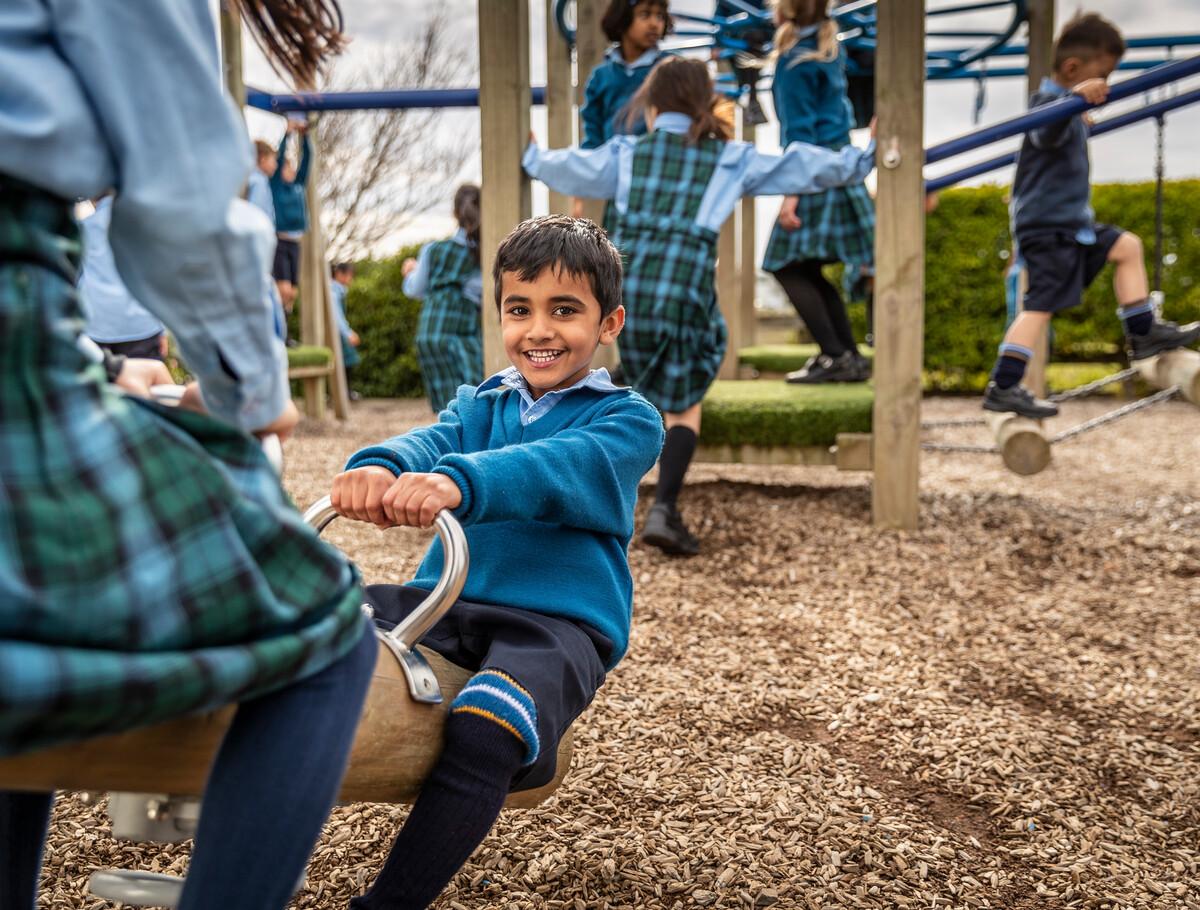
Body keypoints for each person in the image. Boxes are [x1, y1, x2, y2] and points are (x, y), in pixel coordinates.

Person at [0, 4, 376, 910]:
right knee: (329, 630)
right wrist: (252, 391)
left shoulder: (289, 163)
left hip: (70, 332)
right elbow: (179, 201)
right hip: (33, 324)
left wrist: (104, 366)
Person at [332, 215, 663, 910]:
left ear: (610, 323)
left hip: (557, 622)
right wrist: (380, 465)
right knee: (322, 613)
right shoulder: (481, 402)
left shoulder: (627, 420)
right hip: (449, 599)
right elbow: (433, 439)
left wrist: (463, 481)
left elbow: (560, 467)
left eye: (564, 310)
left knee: (490, 720)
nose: (538, 330)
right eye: (520, 310)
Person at [524, 57, 874, 555]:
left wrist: (533, 156)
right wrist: (865, 157)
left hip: (626, 292)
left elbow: (571, 168)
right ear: (704, 105)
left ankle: (569, 480)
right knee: (684, 404)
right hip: (685, 289)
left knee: (626, 370)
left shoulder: (627, 154)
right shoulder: (729, 157)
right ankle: (665, 508)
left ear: (652, 106)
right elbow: (800, 165)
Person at [983, 12, 1200, 419]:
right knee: (1039, 307)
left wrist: (1077, 108)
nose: (1108, 85)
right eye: (1105, 75)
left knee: (1126, 246)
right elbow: (1042, 132)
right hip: (1048, 229)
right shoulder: (1047, 106)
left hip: (1071, 226)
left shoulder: (1066, 109)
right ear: (1074, 70)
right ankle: (1004, 385)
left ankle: (1143, 333)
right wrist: (1075, 100)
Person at [763, 0, 874, 384]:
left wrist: (790, 193)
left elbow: (800, 137)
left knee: (784, 264)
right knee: (804, 267)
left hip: (816, 172)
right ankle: (847, 356)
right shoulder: (828, 48)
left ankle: (836, 353)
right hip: (840, 167)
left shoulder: (795, 59)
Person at [404, 184, 485, 413]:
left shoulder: (433, 249)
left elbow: (415, 290)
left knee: (445, 407)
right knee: (470, 402)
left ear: (455, 212)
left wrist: (410, 272)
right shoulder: (482, 252)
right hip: (461, 333)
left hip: (429, 332)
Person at [79, 194, 166, 360]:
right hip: (141, 326)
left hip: (98, 326)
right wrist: (162, 329)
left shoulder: (84, 228)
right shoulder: (145, 225)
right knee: (145, 382)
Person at [270, 117, 312, 318]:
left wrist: (305, 137)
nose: (292, 171)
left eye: (292, 168)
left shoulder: (298, 186)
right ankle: (276, 326)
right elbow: (279, 160)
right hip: (280, 240)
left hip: (295, 241)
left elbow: (307, 160)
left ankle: (284, 330)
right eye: (288, 168)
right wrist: (288, 134)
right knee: (284, 289)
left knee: (292, 292)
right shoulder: (276, 186)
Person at [713, 0, 771, 127]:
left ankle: (750, 99)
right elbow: (718, 19)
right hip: (734, 44)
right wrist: (716, 46)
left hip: (756, 43)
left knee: (751, 46)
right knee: (729, 86)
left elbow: (769, 15)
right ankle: (751, 99)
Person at [331, 261, 361, 385]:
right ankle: (343, 392)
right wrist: (348, 333)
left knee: (346, 360)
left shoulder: (340, 290)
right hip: (336, 332)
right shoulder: (333, 291)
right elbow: (336, 315)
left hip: (338, 332)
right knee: (344, 361)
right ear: (338, 274)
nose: (350, 278)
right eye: (349, 274)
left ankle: (346, 391)